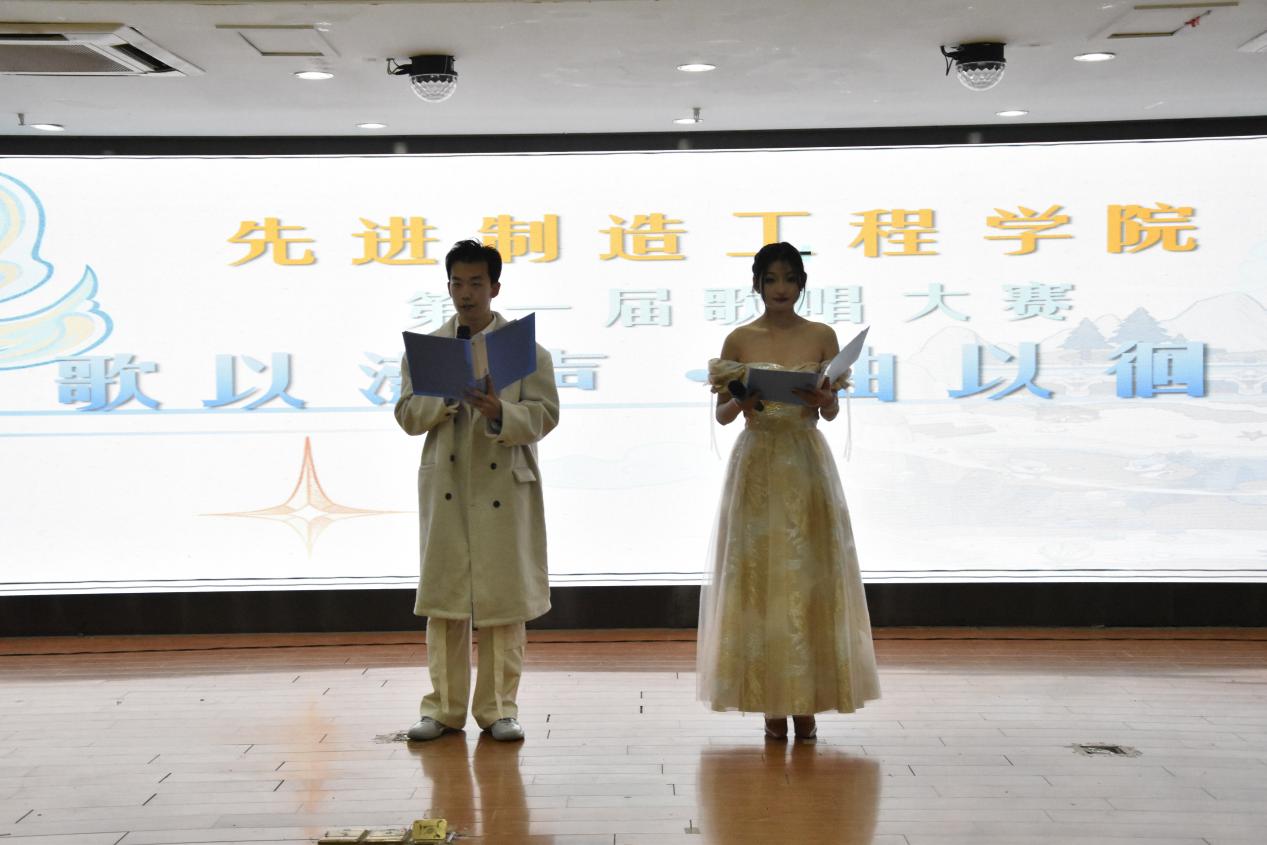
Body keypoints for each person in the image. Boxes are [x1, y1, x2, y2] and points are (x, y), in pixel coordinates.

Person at [696, 241, 880, 740]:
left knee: (809, 578)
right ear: (757, 284)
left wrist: (824, 398)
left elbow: (830, 412)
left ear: (801, 284)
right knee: (759, 579)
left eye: (789, 278)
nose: (781, 288)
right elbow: (723, 415)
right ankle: (771, 705)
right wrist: (744, 402)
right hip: (757, 461)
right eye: (771, 279)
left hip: (805, 460)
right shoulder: (739, 339)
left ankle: (808, 703)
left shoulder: (822, 335)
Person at [394, 239, 559, 743]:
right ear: (447, 287)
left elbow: (546, 416)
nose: (466, 293)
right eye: (457, 283)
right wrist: (442, 396)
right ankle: (443, 710)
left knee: (504, 605)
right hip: (447, 487)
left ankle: (499, 710)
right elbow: (407, 416)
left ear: (495, 287)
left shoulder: (525, 351)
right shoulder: (428, 351)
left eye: (476, 283)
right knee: (446, 603)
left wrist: (498, 411)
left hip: (503, 485)